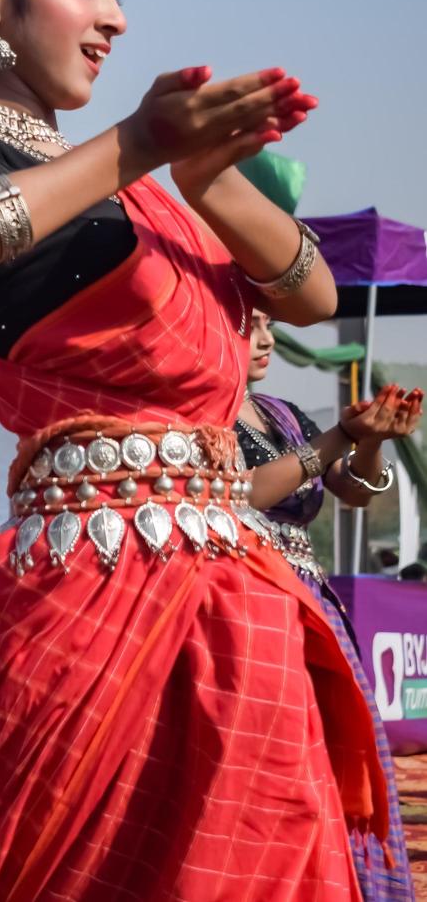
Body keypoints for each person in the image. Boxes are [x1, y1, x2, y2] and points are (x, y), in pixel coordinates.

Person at [0, 0, 389, 898]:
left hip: (232, 601)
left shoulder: (137, 193)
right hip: (86, 595)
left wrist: (200, 175)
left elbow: (308, 295)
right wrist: (137, 142)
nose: (114, 17)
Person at [237, 309, 422, 901]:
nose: (268, 340)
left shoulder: (283, 414)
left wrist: (368, 442)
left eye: (269, 325)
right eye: (251, 326)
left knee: (337, 758)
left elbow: (356, 492)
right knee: (278, 764)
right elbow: (252, 491)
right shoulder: (195, 416)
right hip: (249, 600)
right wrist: (340, 436)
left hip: (312, 605)